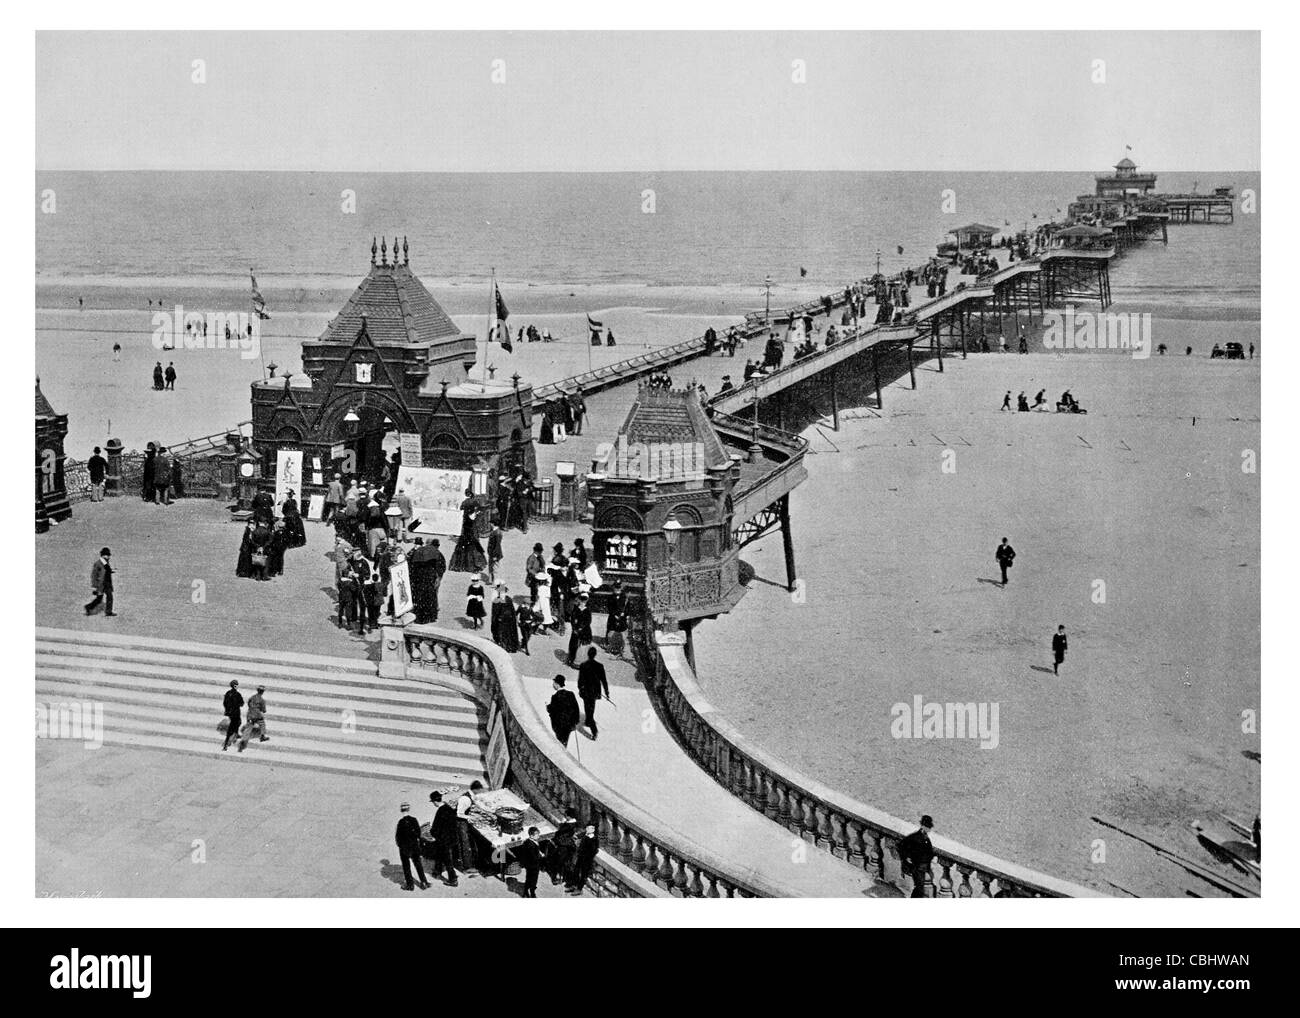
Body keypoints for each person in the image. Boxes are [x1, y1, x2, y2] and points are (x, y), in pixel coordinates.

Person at [449, 489, 487, 573]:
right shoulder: (475, 502)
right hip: (472, 527)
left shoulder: (465, 502)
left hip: (466, 524)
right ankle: (474, 564)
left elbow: (461, 508)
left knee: (464, 545)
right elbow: (479, 510)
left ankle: (462, 564)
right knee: (473, 545)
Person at [898, 815, 936, 897]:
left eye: (929, 826)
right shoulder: (915, 837)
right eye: (927, 826)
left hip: (923, 867)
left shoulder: (926, 838)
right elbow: (901, 845)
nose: (928, 828)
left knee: (920, 887)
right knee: (919, 887)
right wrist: (906, 857)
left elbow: (929, 851)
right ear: (922, 826)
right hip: (916, 866)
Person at [395, 803, 430, 891]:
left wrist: (400, 846)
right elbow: (418, 833)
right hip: (414, 846)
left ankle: (410, 885)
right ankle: (424, 882)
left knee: (406, 866)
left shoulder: (400, 822)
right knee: (418, 864)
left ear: (401, 810)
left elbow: (398, 837)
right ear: (408, 809)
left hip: (405, 848)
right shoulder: (414, 820)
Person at [427, 791, 459, 886]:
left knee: (447, 859)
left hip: (444, 840)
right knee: (439, 854)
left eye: (433, 802)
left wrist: (432, 833)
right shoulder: (449, 808)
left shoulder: (440, 811)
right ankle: (437, 871)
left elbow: (435, 828)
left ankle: (453, 879)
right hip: (452, 838)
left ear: (435, 801)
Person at [577, 647, 609, 738]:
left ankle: (594, 731)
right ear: (595, 655)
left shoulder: (583, 665)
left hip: (586, 692)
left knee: (587, 708)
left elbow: (580, 680)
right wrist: (607, 692)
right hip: (595, 692)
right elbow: (604, 681)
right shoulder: (599, 666)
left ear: (588, 654)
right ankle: (588, 721)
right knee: (591, 708)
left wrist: (580, 689)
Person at [455, 781, 484, 872]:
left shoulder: (471, 795)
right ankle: (467, 867)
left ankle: (471, 861)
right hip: (460, 822)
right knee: (465, 843)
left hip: (464, 819)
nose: (480, 792)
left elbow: (475, 801)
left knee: (468, 842)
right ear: (476, 789)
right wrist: (471, 817)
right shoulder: (465, 799)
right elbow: (459, 814)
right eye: (479, 790)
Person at [547, 674, 581, 747]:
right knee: (564, 742)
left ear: (557, 684)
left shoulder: (555, 697)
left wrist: (548, 707)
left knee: (560, 743)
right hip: (569, 725)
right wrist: (575, 721)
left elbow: (553, 712)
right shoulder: (571, 694)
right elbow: (576, 708)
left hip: (559, 725)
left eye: (554, 683)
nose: (553, 685)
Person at [566, 824, 599, 894]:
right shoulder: (586, 835)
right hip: (580, 857)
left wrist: (587, 856)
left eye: (590, 828)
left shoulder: (593, 839)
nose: (587, 829)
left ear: (593, 830)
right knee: (576, 871)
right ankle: (574, 885)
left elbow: (594, 850)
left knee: (583, 874)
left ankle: (579, 889)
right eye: (587, 828)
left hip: (586, 859)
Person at [512, 827, 544, 898]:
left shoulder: (528, 842)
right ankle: (532, 892)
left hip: (529, 865)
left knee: (528, 878)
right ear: (531, 836)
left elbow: (535, 851)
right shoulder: (531, 845)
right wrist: (541, 856)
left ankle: (526, 891)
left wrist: (539, 852)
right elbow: (534, 857)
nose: (538, 835)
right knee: (534, 879)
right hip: (533, 865)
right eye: (537, 834)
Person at [548, 812, 578, 884]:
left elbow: (560, 831)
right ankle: (561, 877)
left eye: (567, 815)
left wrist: (562, 823)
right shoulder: (572, 824)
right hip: (567, 844)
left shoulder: (569, 825)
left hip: (563, 844)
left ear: (569, 817)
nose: (565, 816)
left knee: (559, 861)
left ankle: (556, 877)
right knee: (563, 863)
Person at [84, 547, 115, 616]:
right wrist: (95, 585)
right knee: (99, 599)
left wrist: (111, 571)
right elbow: (93, 575)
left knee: (110, 596)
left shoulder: (106, 563)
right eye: (107, 555)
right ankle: (88, 607)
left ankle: (108, 611)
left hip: (107, 583)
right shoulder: (98, 563)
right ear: (103, 555)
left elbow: (106, 571)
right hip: (101, 584)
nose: (109, 557)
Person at [490, 584, 520, 653]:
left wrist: (514, 619)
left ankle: (511, 647)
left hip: (509, 621)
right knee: (502, 634)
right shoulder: (496, 600)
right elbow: (494, 613)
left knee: (510, 634)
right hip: (501, 622)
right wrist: (495, 621)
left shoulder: (509, 599)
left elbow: (512, 611)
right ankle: (504, 647)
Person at [238, 685, 269, 751]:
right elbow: (264, 710)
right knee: (262, 724)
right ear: (263, 692)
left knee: (248, 727)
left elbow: (248, 703)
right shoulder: (262, 700)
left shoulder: (252, 697)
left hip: (250, 714)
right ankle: (262, 736)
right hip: (257, 715)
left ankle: (243, 741)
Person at [566, 593, 593, 667]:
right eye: (581, 600)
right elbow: (572, 619)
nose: (582, 602)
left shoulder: (587, 610)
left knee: (583, 646)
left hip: (584, 630)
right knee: (573, 645)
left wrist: (581, 627)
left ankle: (581, 661)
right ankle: (571, 659)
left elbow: (588, 621)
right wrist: (574, 628)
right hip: (575, 629)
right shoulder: (576, 609)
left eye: (584, 601)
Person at [605, 580, 629, 657]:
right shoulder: (610, 597)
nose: (617, 589)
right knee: (610, 632)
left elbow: (628, 608)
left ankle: (621, 648)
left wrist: (624, 614)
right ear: (613, 588)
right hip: (613, 617)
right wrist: (614, 614)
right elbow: (609, 608)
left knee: (622, 633)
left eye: (619, 588)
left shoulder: (624, 597)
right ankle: (610, 646)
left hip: (622, 618)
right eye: (616, 588)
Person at [221, 679, 244, 751]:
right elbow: (242, 703)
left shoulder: (228, 693)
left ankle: (236, 734)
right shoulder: (237, 694)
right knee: (234, 725)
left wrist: (227, 709)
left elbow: (224, 703)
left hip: (230, 713)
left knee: (237, 723)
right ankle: (226, 744)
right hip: (236, 712)